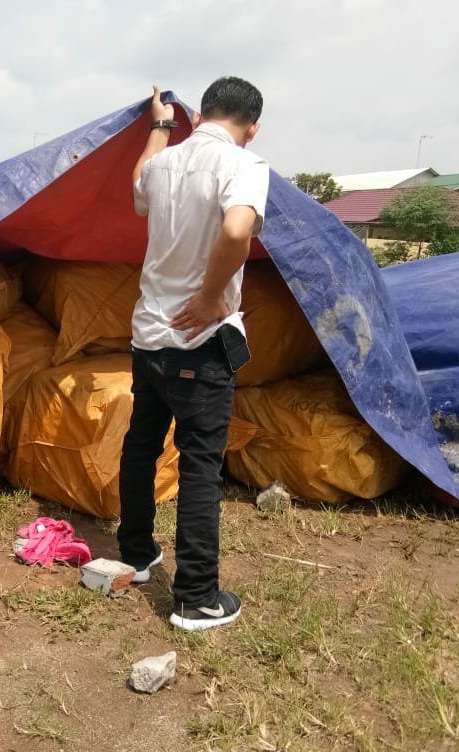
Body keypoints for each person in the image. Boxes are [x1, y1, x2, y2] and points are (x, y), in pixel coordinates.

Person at [118, 77, 269, 632]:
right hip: (198, 345)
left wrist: (160, 127)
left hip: (148, 336)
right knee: (200, 465)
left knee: (141, 446)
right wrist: (210, 296)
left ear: (199, 116)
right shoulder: (245, 165)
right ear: (252, 128)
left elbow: (138, 186)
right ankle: (196, 598)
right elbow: (237, 228)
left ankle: (136, 554)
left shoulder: (163, 164)